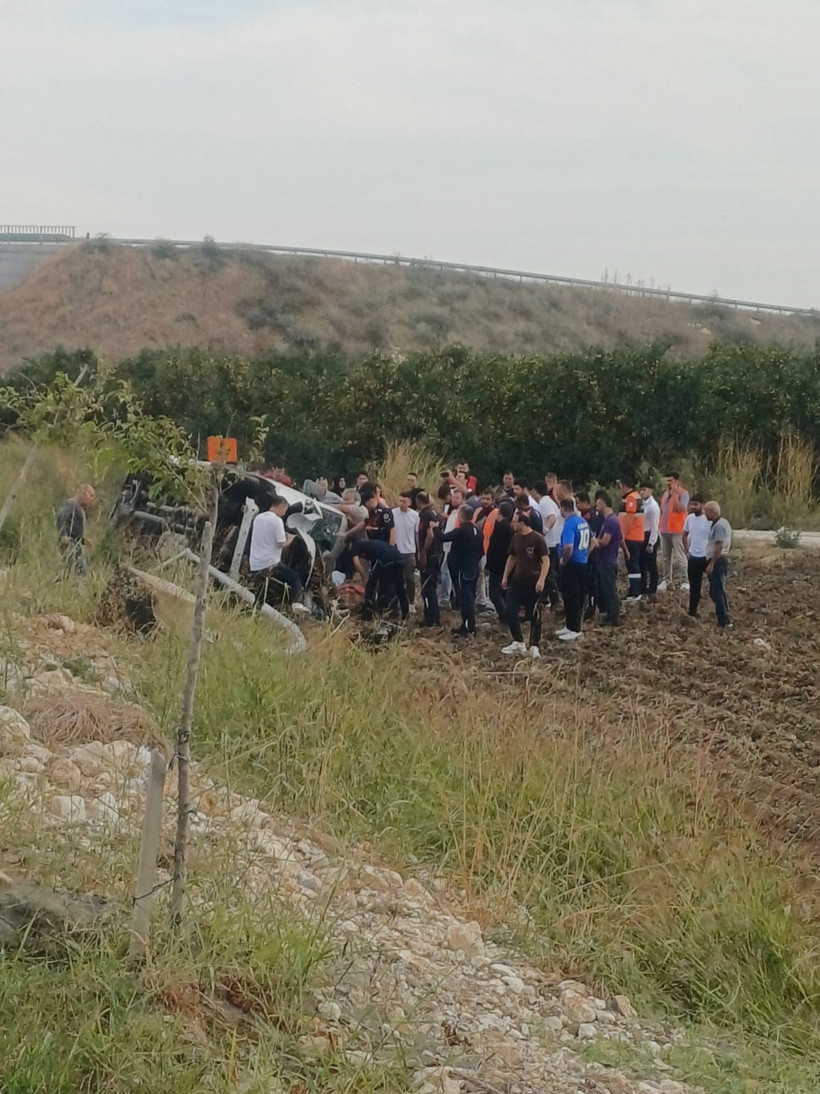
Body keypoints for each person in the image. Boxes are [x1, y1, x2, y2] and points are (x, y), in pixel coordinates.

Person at [248, 495, 309, 612]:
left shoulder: (259, 517)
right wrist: (290, 539)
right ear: (281, 507)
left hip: (255, 562)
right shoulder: (277, 521)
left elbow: (266, 537)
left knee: (262, 588)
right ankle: (296, 603)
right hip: (270, 563)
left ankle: (254, 611)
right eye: (285, 510)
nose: (285, 512)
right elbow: (282, 543)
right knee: (294, 577)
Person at [500, 511, 549, 658]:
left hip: (533, 581)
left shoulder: (537, 539)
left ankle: (534, 645)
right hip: (517, 580)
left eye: (514, 521)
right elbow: (512, 557)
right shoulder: (516, 538)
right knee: (510, 609)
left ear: (522, 523)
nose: (512, 524)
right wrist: (505, 576)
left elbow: (546, 561)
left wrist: (541, 580)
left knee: (534, 613)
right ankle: (518, 641)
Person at [440, 504, 484, 637]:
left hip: (463, 569)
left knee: (466, 598)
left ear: (461, 516)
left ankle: (469, 626)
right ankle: (468, 624)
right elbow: (481, 551)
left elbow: (443, 537)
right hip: (473, 568)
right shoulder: (477, 530)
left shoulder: (462, 530)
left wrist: (434, 528)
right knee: (470, 595)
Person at [350, 537, 409, 622]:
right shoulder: (371, 545)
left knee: (370, 587)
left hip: (385, 558)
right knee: (399, 587)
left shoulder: (355, 546)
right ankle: (405, 614)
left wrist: (365, 578)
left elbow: (356, 563)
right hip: (398, 557)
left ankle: (368, 614)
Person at [557, 497, 590, 641]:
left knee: (572, 596)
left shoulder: (569, 524)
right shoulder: (582, 521)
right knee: (575, 595)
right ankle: (570, 624)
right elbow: (591, 541)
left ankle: (574, 627)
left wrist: (564, 560)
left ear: (563, 508)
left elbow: (568, 546)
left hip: (572, 564)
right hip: (582, 562)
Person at [591, 492, 622, 626]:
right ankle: (610, 613)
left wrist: (593, 541)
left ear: (604, 503)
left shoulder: (610, 521)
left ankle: (614, 616)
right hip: (606, 560)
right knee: (605, 588)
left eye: (598, 503)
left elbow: (605, 541)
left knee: (609, 589)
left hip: (608, 561)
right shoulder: (609, 520)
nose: (596, 505)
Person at [659, 473, 690, 591]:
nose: (668, 484)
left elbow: (681, 508)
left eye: (670, 481)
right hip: (665, 530)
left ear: (677, 481)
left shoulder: (683, 494)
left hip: (677, 530)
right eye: (667, 481)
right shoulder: (665, 494)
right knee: (665, 557)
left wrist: (675, 495)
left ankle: (685, 580)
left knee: (680, 556)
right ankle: (666, 580)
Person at [416, 491, 443, 627]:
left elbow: (430, 536)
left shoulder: (426, 515)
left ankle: (430, 619)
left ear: (419, 501)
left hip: (430, 554)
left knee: (427, 588)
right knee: (431, 587)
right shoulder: (435, 513)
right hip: (437, 553)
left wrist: (422, 554)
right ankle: (434, 617)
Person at [704, 501, 733, 629]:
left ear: (712, 512)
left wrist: (711, 564)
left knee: (717, 591)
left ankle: (724, 620)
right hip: (719, 560)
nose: (705, 514)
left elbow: (719, 545)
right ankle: (724, 613)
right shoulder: (722, 523)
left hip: (718, 560)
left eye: (706, 511)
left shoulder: (719, 526)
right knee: (716, 590)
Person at [57, 484, 96, 576]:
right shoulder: (71, 504)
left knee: (77, 570)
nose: (91, 499)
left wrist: (83, 540)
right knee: (77, 570)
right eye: (90, 495)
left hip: (76, 543)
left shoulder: (79, 507)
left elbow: (74, 528)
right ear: (83, 493)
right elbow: (61, 517)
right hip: (71, 543)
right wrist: (63, 535)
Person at [533, 480, 561, 609]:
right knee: (548, 572)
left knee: (548, 573)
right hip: (554, 541)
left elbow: (552, 517)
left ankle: (555, 600)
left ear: (535, 491)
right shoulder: (550, 501)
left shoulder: (544, 503)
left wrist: (544, 531)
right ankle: (543, 598)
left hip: (549, 543)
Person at [486, 500, 515, 620]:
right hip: (508, 564)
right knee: (505, 592)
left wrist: (488, 564)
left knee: (494, 593)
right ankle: (508, 614)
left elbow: (494, 548)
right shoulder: (512, 527)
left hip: (497, 566)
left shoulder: (499, 527)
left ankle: (505, 616)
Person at [617, 475, 644, 603]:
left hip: (632, 536)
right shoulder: (635, 497)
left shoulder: (631, 498)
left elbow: (629, 517)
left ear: (624, 485)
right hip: (635, 535)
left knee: (632, 564)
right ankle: (634, 590)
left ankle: (635, 592)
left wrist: (622, 533)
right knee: (633, 564)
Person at [682, 494, 710, 617]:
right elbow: (684, 534)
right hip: (693, 558)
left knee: (715, 587)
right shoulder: (689, 518)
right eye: (691, 504)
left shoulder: (708, 520)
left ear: (702, 505)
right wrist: (686, 550)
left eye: (695, 504)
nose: (693, 507)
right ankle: (692, 612)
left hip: (706, 557)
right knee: (694, 588)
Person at [392, 492, 420, 607]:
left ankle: (411, 602)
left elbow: (417, 534)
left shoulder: (415, 516)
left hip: (409, 551)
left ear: (409, 502)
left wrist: (418, 551)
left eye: (404, 501)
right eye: (400, 501)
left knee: (410, 579)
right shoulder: (393, 513)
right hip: (396, 550)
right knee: (396, 578)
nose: (401, 504)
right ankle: (397, 602)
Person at [639, 481, 660, 597]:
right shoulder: (641, 503)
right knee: (642, 563)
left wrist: (651, 543)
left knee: (651, 564)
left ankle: (653, 588)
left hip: (650, 535)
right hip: (641, 534)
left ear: (650, 491)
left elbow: (655, 526)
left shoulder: (653, 506)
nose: (642, 492)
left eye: (644, 489)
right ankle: (642, 586)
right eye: (641, 489)